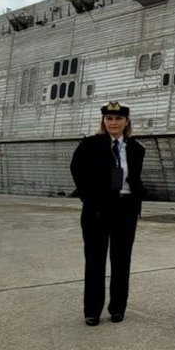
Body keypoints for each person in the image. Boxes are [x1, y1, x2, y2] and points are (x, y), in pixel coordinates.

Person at [70, 101, 146, 326]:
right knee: (95, 260)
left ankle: (118, 308)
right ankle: (92, 310)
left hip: (125, 209)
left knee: (121, 260)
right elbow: (77, 171)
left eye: (119, 119)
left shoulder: (136, 148)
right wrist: (90, 199)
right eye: (109, 118)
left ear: (126, 122)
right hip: (97, 210)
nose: (114, 122)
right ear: (103, 121)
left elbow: (134, 178)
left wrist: (137, 199)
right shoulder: (89, 145)